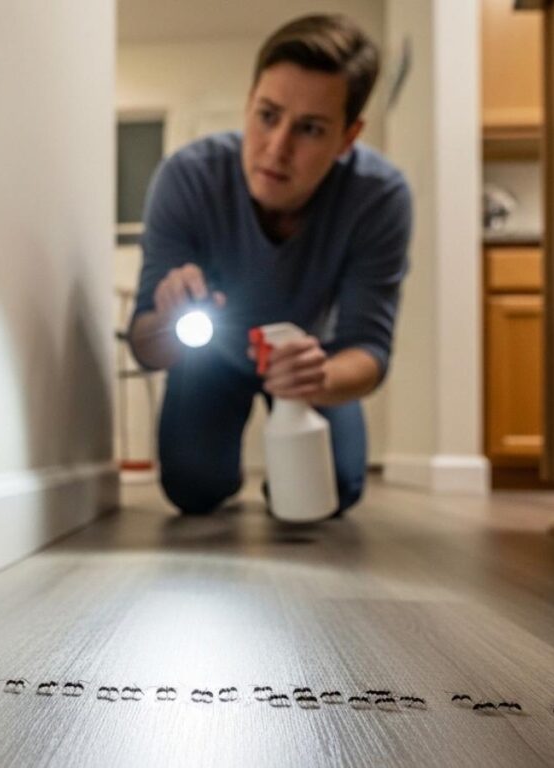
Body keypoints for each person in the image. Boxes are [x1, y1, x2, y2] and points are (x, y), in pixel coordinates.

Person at [127, 14, 412, 518]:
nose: (277, 149)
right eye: (267, 115)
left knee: (336, 491)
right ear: (249, 101)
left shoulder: (379, 197)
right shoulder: (186, 179)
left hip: (312, 362)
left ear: (348, 136)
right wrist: (170, 319)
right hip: (209, 360)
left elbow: (370, 348)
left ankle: (288, 481)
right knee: (193, 489)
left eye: (310, 128)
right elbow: (146, 346)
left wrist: (320, 373)